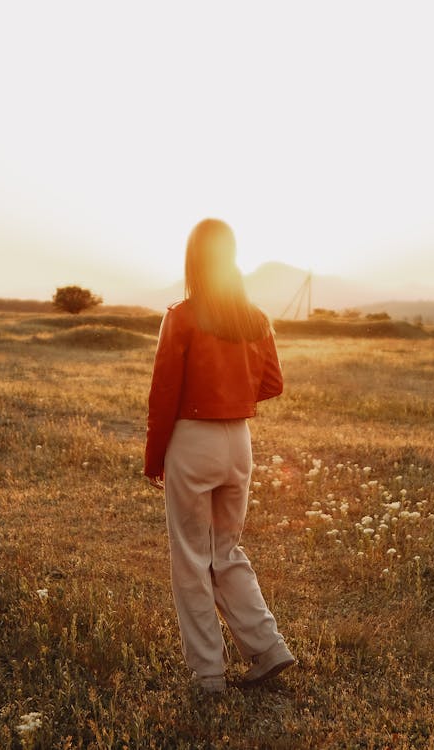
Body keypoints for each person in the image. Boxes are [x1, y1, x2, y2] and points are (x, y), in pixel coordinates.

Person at [144, 218, 296, 694]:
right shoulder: (254, 317)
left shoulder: (183, 316)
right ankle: (268, 650)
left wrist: (155, 455)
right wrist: (235, 395)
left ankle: (208, 674)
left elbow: (163, 393)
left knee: (191, 558)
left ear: (193, 258)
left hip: (193, 439)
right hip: (240, 442)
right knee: (225, 552)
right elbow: (273, 384)